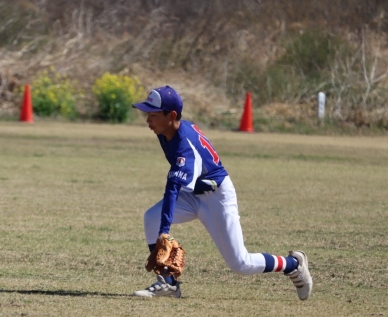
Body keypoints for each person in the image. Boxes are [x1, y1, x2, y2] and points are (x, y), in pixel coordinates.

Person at [131, 86, 313, 300]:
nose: (148, 119)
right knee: (151, 217)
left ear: (171, 116)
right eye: (147, 114)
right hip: (194, 192)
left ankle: (293, 264)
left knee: (241, 263)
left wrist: (164, 232)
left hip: (216, 197)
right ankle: (168, 283)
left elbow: (172, 190)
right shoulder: (169, 130)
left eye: (153, 115)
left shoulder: (184, 148)